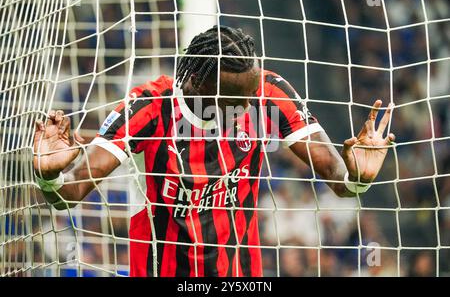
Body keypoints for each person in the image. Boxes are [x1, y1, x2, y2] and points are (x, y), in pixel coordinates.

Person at [33, 25, 395, 277]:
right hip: (163, 267)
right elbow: (71, 193)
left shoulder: (268, 93)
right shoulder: (148, 107)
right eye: (239, 101)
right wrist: (50, 174)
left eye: (253, 95)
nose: (251, 105)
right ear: (198, 85)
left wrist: (358, 178)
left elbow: (337, 177)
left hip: (241, 269)